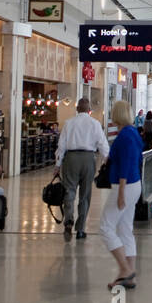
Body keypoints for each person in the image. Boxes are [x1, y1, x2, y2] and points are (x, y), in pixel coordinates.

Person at [56, 97, 110, 242]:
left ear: (77, 109)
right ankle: (80, 229)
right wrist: (108, 161)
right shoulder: (95, 123)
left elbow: (61, 146)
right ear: (89, 111)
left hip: (71, 159)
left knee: (69, 190)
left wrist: (57, 165)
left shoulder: (69, 123)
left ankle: (68, 220)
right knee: (85, 195)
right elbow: (102, 144)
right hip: (88, 159)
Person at [102, 100, 143, 289]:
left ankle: (124, 268)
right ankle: (130, 274)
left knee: (105, 227)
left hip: (124, 185)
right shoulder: (133, 132)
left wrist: (121, 193)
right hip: (134, 184)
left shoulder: (125, 135)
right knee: (125, 228)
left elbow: (125, 164)